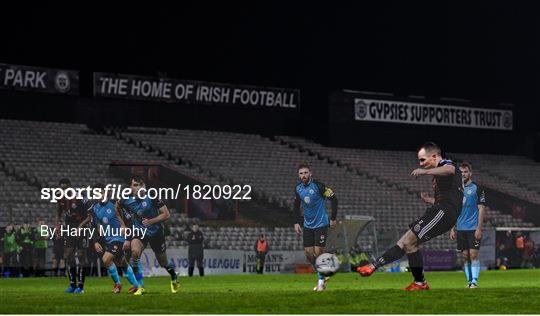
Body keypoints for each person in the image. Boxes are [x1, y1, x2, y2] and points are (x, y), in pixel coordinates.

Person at [357, 142, 464, 290]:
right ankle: (376, 267)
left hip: (443, 212)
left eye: (422, 159)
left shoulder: (446, 164)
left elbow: (450, 169)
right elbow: (451, 196)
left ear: (434, 156)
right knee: (406, 242)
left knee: (408, 242)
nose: (421, 163)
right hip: (440, 210)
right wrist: (430, 200)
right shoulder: (440, 176)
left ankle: (419, 282)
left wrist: (424, 171)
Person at [116, 175, 179, 295]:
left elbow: (166, 214)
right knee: (134, 252)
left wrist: (151, 221)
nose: (138, 188)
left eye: (140, 185)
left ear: (144, 186)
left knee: (163, 262)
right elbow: (117, 206)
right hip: (140, 232)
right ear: (131, 187)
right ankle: (140, 286)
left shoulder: (152, 197)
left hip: (156, 233)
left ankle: (174, 276)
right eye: (135, 185)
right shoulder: (126, 199)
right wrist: (122, 224)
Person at [293, 162, 338, 292]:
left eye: (306, 173)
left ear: (310, 173)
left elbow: (334, 199)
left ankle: (320, 283)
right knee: (308, 254)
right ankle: (324, 272)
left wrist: (333, 219)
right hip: (307, 225)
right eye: (301, 173)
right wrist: (296, 222)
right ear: (298, 175)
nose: (303, 175)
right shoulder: (298, 189)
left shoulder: (319, 186)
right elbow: (296, 206)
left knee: (318, 253)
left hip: (321, 224)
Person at [90, 185, 139, 294]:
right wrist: (96, 241)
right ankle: (136, 285)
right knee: (122, 262)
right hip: (109, 239)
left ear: (106, 193)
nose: (98, 195)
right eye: (96, 193)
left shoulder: (115, 204)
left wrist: (128, 239)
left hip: (120, 238)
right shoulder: (95, 207)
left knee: (106, 259)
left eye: (100, 192)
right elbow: (93, 226)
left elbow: (129, 221)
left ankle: (117, 284)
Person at [445, 162, 486, 288]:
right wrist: (452, 228)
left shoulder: (477, 188)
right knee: (465, 257)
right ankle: (469, 282)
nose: (463, 174)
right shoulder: (456, 190)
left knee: (473, 255)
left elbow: (481, 209)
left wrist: (479, 228)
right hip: (460, 228)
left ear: (470, 173)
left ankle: (474, 282)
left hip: (473, 228)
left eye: (465, 172)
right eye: (461, 172)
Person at [55, 178, 92, 293]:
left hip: (82, 226)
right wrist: (57, 225)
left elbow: (90, 216)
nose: (64, 190)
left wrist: (80, 227)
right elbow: (58, 212)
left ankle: (80, 287)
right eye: (62, 189)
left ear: (70, 186)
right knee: (68, 255)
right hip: (69, 227)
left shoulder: (81, 196)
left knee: (81, 255)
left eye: (65, 188)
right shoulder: (60, 197)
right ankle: (72, 284)